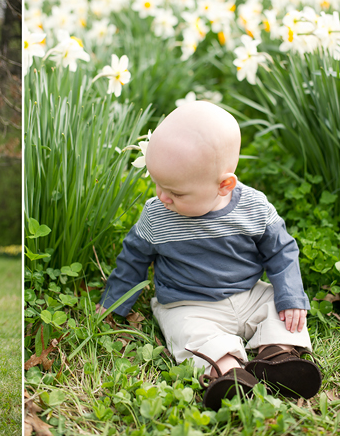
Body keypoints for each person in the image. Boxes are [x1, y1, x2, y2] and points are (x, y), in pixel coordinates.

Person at [97, 101, 321, 411]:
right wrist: (113, 303)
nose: (163, 196)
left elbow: (281, 251)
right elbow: (133, 259)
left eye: (175, 191)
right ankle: (227, 372)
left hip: (247, 294)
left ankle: (279, 356)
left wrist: (292, 296)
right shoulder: (157, 216)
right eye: (158, 184)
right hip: (188, 302)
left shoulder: (254, 208)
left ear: (224, 184)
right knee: (188, 331)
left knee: (278, 306)